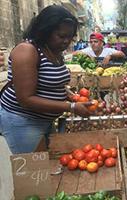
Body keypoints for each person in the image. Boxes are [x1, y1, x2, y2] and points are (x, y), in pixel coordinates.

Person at [0, 5, 93, 154]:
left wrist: (70, 95)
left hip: (45, 120)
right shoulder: (27, 51)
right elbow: (26, 99)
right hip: (22, 120)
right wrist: (71, 107)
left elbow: (52, 83)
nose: (66, 41)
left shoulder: (54, 51)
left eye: (70, 37)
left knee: (48, 167)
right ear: (46, 31)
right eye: (61, 36)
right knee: (33, 171)